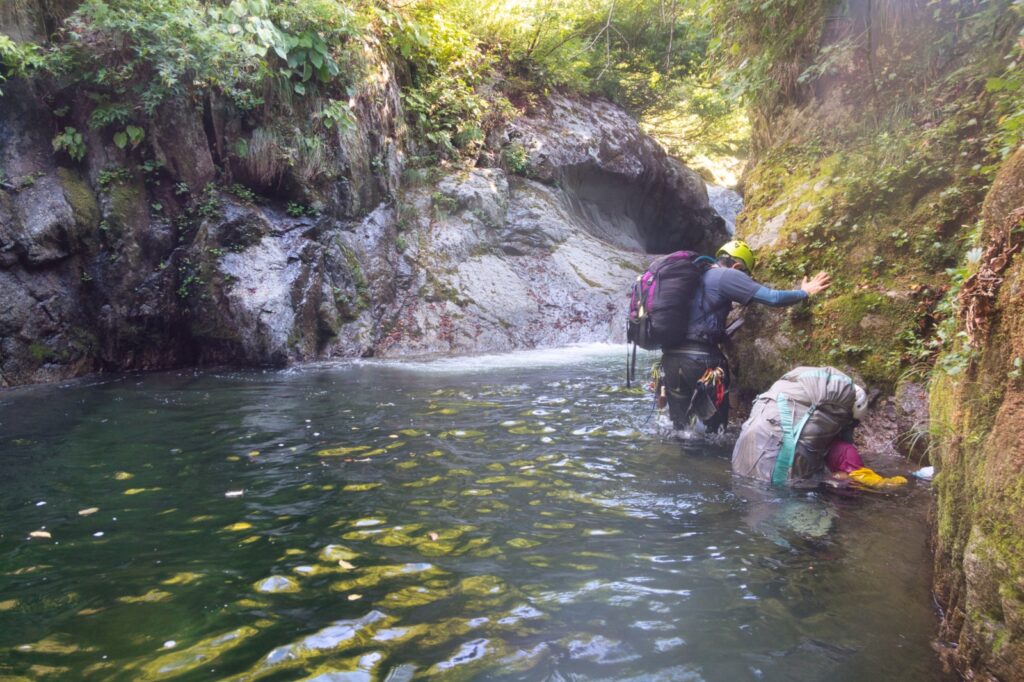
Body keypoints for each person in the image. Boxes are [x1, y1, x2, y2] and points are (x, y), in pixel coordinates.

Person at [659, 239, 832, 431]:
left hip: (670, 359)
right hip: (701, 361)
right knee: (714, 431)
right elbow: (772, 298)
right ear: (737, 266)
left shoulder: (695, 276)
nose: (746, 280)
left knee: (681, 429)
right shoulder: (728, 275)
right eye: (746, 275)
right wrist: (804, 292)